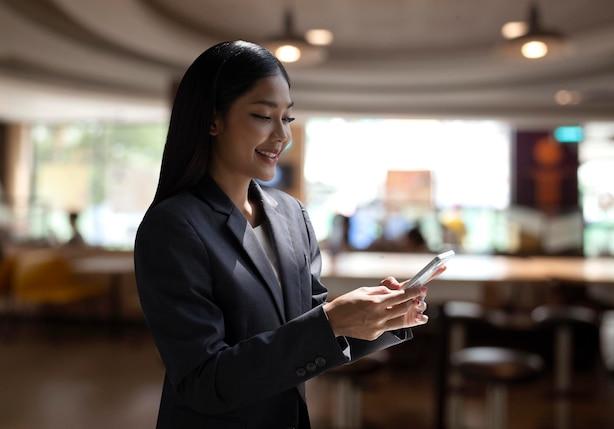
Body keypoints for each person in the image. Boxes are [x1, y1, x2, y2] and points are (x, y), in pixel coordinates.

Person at [134, 40, 445, 429]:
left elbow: (305, 331)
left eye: (288, 119)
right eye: (264, 116)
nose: (282, 136)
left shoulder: (291, 214)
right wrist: (330, 322)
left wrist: (382, 318)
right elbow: (203, 381)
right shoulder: (174, 226)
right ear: (213, 120)